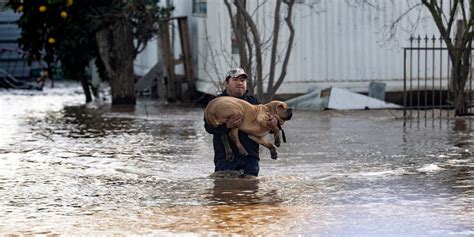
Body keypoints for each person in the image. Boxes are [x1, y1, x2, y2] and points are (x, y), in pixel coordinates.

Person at [204, 67, 277, 177]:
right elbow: (208, 127)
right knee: (225, 193)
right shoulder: (217, 102)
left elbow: (263, 127)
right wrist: (227, 126)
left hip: (250, 160)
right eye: (235, 80)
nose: (239, 83)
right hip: (226, 160)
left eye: (242, 80)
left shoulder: (253, 102)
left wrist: (272, 125)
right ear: (226, 83)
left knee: (250, 193)